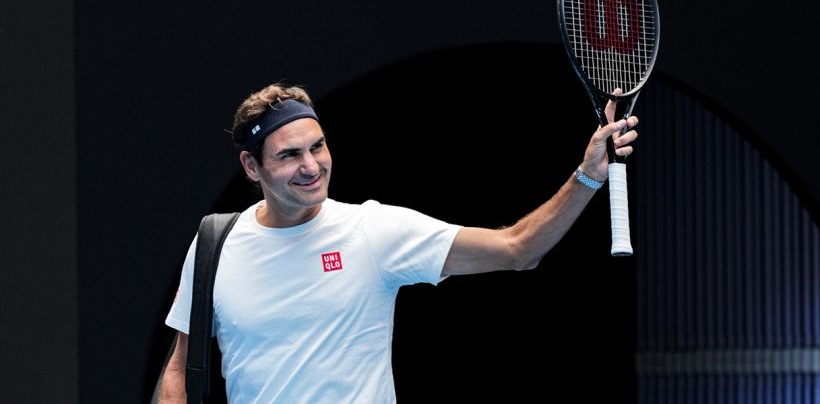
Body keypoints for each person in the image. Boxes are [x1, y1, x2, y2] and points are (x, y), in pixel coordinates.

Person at [157, 82, 639, 403]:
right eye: (288, 155)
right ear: (251, 167)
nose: (311, 166)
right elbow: (178, 369)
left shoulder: (373, 231)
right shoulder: (214, 242)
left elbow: (519, 248)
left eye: (318, 146)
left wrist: (588, 176)